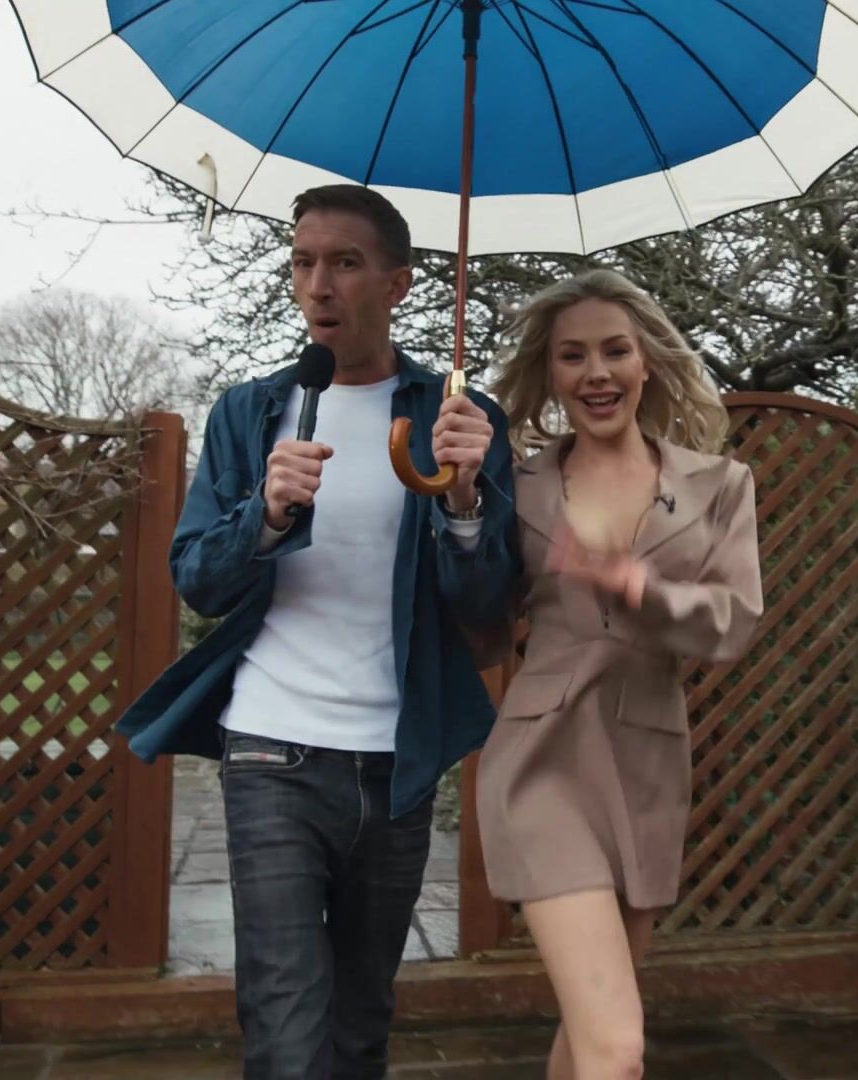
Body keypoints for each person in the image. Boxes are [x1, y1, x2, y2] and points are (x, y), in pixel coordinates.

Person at [115, 184, 518, 1079]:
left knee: (360, 1027)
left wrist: (462, 503)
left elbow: (488, 603)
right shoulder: (250, 412)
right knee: (287, 1031)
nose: (318, 285)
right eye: (303, 262)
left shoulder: (461, 418)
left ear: (398, 283)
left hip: (398, 761)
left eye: (345, 263)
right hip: (272, 748)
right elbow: (197, 578)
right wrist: (263, 513)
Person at [479, 268, 764, 1079]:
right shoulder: (515, 486)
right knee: (618, 1048)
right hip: (541, 761)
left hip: (646, 764)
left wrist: (641, 587)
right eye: (572, 356)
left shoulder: (719, 487)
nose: (596, 373)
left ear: (647, 362)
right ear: (549, 373)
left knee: (592, 1035)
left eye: (614, 351)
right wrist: (460, 510)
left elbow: (734, 622)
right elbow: (477, 629)